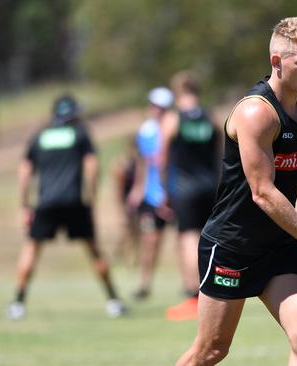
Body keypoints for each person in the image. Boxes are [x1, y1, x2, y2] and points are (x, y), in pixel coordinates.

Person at [175, 17, 297, 365]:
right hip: (232, 246)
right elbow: (262, 192)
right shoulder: (256, 113)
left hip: (280, 244)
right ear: (277, 62)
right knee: (211, 351)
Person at [5, 95, 127, 320]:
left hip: (45, 203)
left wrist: (24, 205)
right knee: (94, 250)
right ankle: (114, 301)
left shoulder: (40, 135)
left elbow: (24, 171)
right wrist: (90, 199)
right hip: (74, 202)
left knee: (31, 249)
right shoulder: (80, 133)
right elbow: (92, 166)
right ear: (72, 114)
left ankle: (17, 303)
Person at [160, 71, 221, 320]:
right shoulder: (212, 118)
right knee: (210, 239)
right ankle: (214, 294)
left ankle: (194, 295)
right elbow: (221, 155)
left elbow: (162, 159)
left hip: (184, 188)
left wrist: (164, 191)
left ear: (177, 93)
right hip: (211, 187)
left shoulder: (173, 119)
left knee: (187, 237)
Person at [129, 87, 175, 300]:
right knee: (150, 241)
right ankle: (145, 283)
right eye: (154, 105)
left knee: (186, 239)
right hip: (152, 194)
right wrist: (138, 188)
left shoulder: (175, 127)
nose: (156, 110)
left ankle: (191, 286)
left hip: (176, 193)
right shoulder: (146, 131)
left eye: (160, 107)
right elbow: (143, 162)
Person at [111, 134, 140, 267]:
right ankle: (119, 257)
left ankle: (132, 260)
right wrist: (121, 207)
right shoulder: (122, 164)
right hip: (125, 202)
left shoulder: (139, 163)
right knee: (126, 231)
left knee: (136, 231)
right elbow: (118, 189)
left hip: (136, 203)